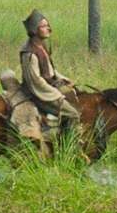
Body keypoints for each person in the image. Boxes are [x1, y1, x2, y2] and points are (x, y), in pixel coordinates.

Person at [9, 10, 79, 148]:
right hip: (39, 94)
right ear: (35, 30)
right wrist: (57, 95)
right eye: (43, 26)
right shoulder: (29, 53)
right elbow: (35, 81)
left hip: (48, 90)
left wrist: (63, 79)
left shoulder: (41, 46)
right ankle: (70, 148)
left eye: (48, 25)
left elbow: (48, 69)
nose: (49, 29)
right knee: (72, 114)